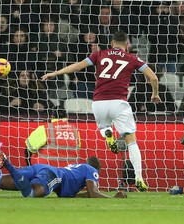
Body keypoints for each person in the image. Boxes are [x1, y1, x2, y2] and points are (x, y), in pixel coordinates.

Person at [42, 30, 161, 192]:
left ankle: (107, 133)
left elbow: (77, 67)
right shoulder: (131, 58)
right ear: (126, 45)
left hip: (98, 102)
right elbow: (153, 77)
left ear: (112, 43)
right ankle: (139, 178)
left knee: (104, 127)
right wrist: (155, 94)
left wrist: (55, 73)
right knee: (131, 141)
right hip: (119, 102)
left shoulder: (99, 54)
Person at [0, 131, 127, 199]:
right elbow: (93, 192)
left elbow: (81, 196)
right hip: (52, 175)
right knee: (30, 195)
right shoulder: (91, 170)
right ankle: (9, 164)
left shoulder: (76, 172)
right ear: (96, 170)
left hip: (41, 168)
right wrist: (114, 198)